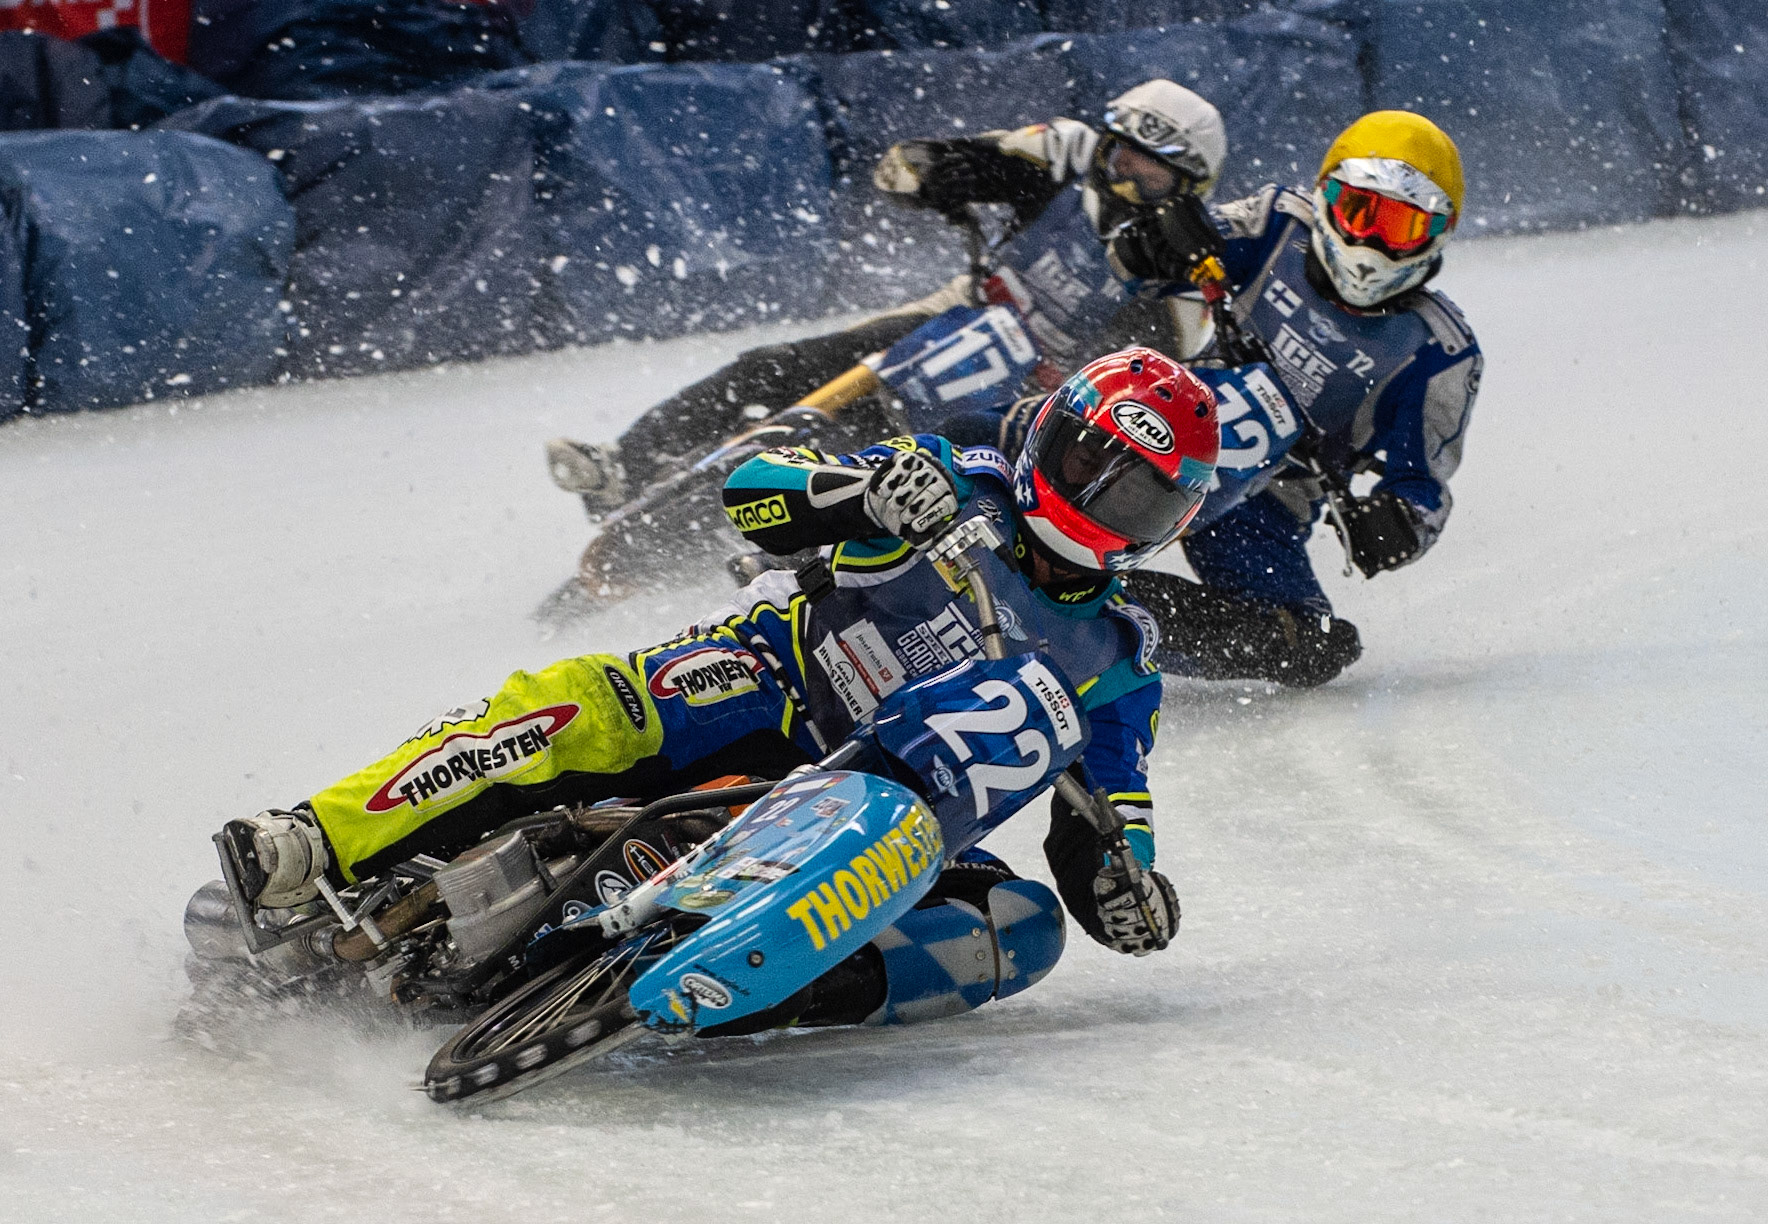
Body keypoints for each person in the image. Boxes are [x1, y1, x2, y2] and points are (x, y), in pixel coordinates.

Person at [218, 348, 1218, 1029]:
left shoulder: (1119, 659)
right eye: (1091, 460)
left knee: (1020, 929)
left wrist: (1124, 890)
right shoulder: (953, 473)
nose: (1097, 498)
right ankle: (316, 839)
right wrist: (860, 494)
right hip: (772, 682)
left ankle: (741, 990)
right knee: (587, 701)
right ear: (1051, 432)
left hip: (886, 826)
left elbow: (1109, 822)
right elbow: (754, 493)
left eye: (1135, 494)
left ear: (1167, 523)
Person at [544, 79, 1228, 521]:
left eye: (1150, 173)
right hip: (964, 309)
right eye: (1121, 157)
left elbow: (1150, 369)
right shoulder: (1068, 149)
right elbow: (933, 162)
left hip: (1035, 386)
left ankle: (715, 537)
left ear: (1188, 186)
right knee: (778, 366)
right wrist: (935, 171)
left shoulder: (1190, 268)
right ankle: (623, 463)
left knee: (862, 448)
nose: (1125, 178)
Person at [1101, 110, 1484, 688]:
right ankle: (1001, 474)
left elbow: (1423, 484)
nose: (1369, 243)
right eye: (1358, 212)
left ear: (1438, 234)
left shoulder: (1440, 351)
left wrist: (1398, 524)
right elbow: (1140, 258)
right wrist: (1154, 242)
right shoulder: (1274, 222)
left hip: (1269, 502)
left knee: (1308, 647)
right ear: (1323, 194)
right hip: (1159, 419)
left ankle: (1110, 612)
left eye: (1399, 228)